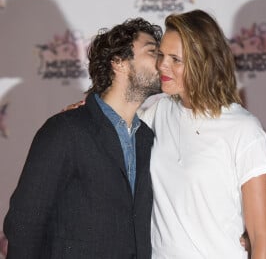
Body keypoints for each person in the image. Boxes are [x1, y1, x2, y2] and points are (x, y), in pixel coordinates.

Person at [3, 17, 162, 259]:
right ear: (118, 62)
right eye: (152, 51)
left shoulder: (147, 138)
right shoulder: (66, 130)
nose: (162, 61)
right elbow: (24, 225)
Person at [139, 9, 266, 259]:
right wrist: (87, 110)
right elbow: (111, 131)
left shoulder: (244, 131)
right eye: (160, 55)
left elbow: (261, 237)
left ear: (203, 62)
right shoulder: (158, 112)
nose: (162, 65)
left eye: (175, 59)